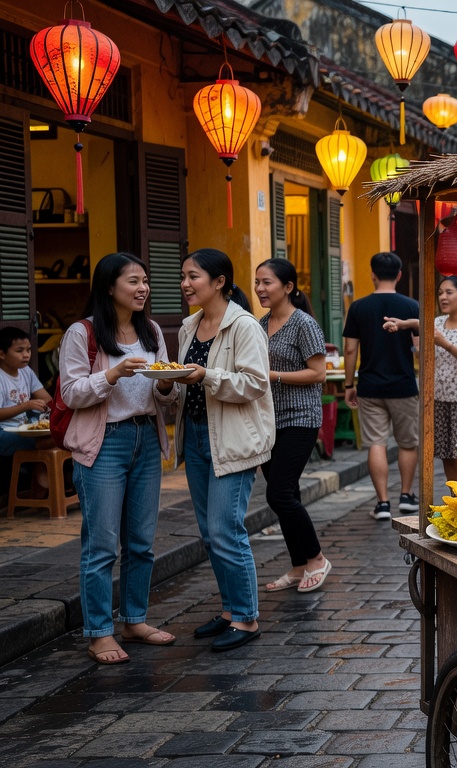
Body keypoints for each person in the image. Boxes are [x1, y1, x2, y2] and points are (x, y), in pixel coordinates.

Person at [62, 253, 179, 664]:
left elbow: (166, 391)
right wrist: (111, 375)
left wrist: (168, 385)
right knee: (101, 545)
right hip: (103, 443)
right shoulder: (83, 333)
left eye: (145, 281)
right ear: (109, 286)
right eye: (133, 281)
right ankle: (98, 632)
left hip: (146, 438)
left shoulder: (150, 330)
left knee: (142, 543)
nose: (142, 288)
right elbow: (70, 393)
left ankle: (133, 619)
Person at [173, 248, 275, 652]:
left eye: (193, 276)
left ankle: (247, 618)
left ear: (219, 282)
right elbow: (183, 383)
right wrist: (168, 384)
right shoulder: (188, 327)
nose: (185, 284)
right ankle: (232, 610)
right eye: (183, 276)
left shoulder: (244, 326)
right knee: (209, 534)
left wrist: (206, 375)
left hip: (233, 438)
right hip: (197, 436)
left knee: (225, 530)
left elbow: (255, 383)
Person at [253, 260, 331, 595]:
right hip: (268, 420)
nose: (259, 289)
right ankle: (299, 565)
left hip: (300, 418)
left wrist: (273, 376)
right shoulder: (260, 324)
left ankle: (316, 558)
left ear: (288, 287)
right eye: (257, 282)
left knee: (279, 493)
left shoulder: (303, 323)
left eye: (267, 282)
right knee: (288, 494)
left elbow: (318, 373)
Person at [384, 278, 457, 484]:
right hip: (438, 400)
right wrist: (403, 324)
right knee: (446, 455)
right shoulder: (437, 323)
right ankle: (454, 499)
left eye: (449, 292)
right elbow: (420, 337)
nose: (442, 297)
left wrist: (445, 343)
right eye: (440, 292)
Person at [344, 252, 420, 522]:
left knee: (376, 442)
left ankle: (383, 503)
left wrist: (349, 383)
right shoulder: (412, 306)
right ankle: (407, 496)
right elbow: (420, 349)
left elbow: (350, 349)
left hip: (370, 385)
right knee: (408, 443)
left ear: (372, 274)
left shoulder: (359, 307)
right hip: (403, 385)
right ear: (399, 275)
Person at [0, 327, 53, 491]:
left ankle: (42, 484)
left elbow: (46, 398)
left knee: (59, 433)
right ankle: (42, 483)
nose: (26, 355)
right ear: (2, 354)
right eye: (19, 350)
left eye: (29, 350)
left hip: (24, 426)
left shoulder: (26, 371)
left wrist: (47, 406)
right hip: (3, 432)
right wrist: (27, 405)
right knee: (42, 441)